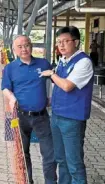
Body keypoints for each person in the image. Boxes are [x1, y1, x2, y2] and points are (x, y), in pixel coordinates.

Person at [1, 35, 57, 184]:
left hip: (41, 117)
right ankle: (27, 181)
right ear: (14, 50)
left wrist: (53, 99)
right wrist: (11, 98)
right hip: (20, 117)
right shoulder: (10, 68)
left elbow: (55, 80)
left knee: (49, 154)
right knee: (22, 153)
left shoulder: (43, 63)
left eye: (26, 45)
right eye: (20, 47)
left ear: (31, 47)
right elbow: (5, 88)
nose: (24, 49)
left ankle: (51, 182)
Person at [41, 26, 94, 184]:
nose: (61, 45)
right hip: (56, 117)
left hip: (72, 120)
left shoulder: (83, 62)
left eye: (65, 41)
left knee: (74, 164)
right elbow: (59, 88)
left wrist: (52, 74)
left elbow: (66, 86)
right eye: (59, 42)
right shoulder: (63, 61)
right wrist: (49, 101)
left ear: (76, 42)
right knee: (61, 160)